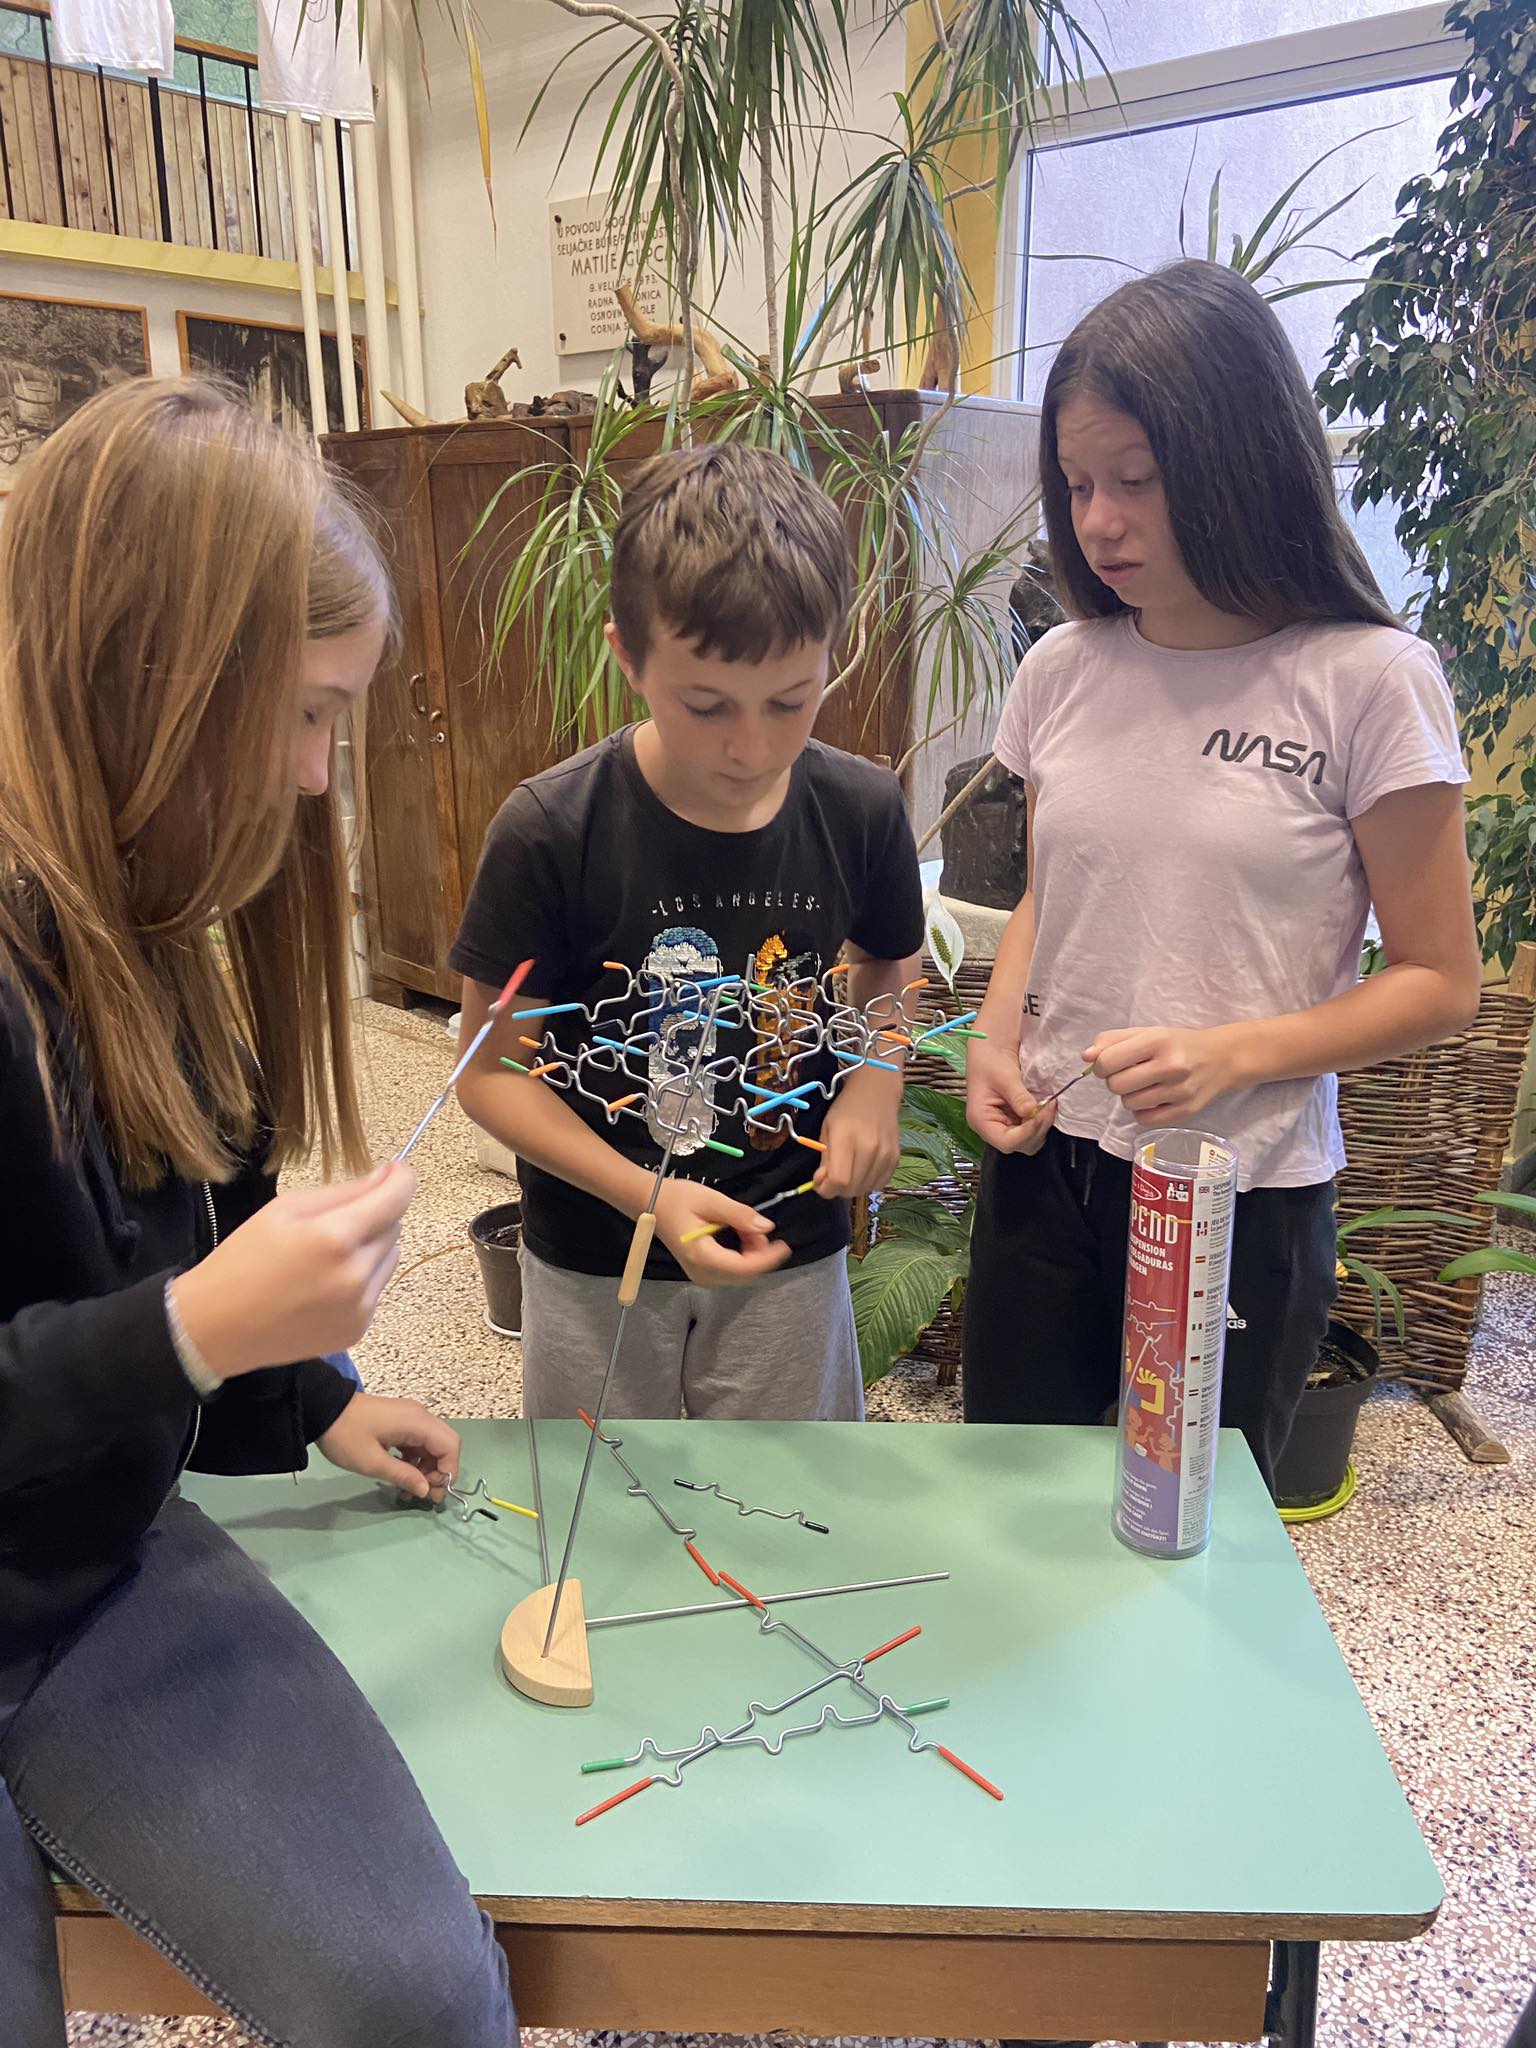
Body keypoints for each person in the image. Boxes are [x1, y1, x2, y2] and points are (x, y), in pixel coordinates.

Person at [0, 379, 516, 2048]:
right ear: (148, 678)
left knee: (420, 2006)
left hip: (84, 1573)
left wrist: (306, 1386)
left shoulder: (151, 927)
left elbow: (187, 1241)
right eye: (300, 715)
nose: (311, 779)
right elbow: (161, 1310)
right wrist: (193, 1329)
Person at [963, 261, 1481, 1494]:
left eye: (1135, 480)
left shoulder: (1369, 679)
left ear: (1242, 458)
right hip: (1047, 1161)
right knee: (1009, 1496)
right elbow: (1049, 892)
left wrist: (1229, 1054)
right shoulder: (1063, 667)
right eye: (1078, 485)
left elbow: (1438, 979)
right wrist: (993, 1034)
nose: (1098, 521)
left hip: (1238, 1187)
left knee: (1190, 1513)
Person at [453, 442, 925, 1421]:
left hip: (791, 1250)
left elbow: (889, 960)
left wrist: (875, 1080)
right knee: (600, 1501)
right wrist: (647, 1195)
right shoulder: (550, 831)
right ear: (628, 657)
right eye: (706, 705)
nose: (751, 746)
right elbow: (491, 1075)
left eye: (791, 701)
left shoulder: (862, 808)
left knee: (789, 1498)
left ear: (834, 652)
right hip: (597, 1257)